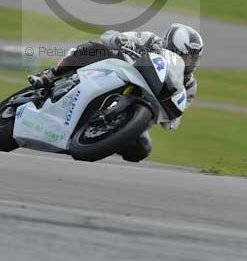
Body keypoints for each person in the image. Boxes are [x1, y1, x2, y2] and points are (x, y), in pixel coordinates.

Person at [28, 23, 203, 162]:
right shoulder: (150, 41)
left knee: (142, 150)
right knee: (94, 48)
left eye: (194, 57)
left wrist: (166, 117)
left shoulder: (189, 85)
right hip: (118, 71)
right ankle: (50, 75)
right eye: (187, 55)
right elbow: (110, 37)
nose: (190, 61)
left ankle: (103, 138)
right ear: (172, 46)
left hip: (140, 107)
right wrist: (121, 41)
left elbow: (172, 122)